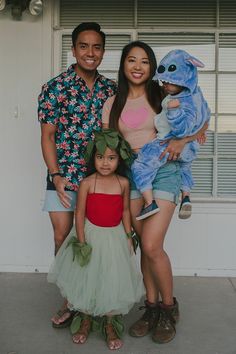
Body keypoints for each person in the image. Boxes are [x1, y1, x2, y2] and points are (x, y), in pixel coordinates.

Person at [102, 41, 207, 344]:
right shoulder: (113, 103)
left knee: (151, 244)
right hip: (133, 175)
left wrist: (182, 142)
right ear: (123, 65)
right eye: (131, 60)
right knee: (143, 247)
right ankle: (150, 307)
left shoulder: (163, 93)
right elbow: (108, 143)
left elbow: (202, 123)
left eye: (145, 61)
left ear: (153, 68)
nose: (137, 66)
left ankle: (168, 308)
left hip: (164, 169)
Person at [38, 22, 116, 327]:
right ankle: (70, 297)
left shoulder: (111, 89)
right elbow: (47, 136)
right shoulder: (54, 87)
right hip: (62, 176)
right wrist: (55, 175)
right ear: (73, 50)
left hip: (100, 178)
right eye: (84, 46)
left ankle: (94, 295)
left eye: (96, 47)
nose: (90, 52)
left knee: (96, 239)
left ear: (103, 52)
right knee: (62, 236)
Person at [47, 129, 144, 350]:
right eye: (100, 157)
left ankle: (110, 324)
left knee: (111, 278)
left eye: (111, 158)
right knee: (87, 278)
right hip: (91, 235)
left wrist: (129, 236)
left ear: (119, 159)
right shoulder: (88, 183)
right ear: (93, 158)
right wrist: (81, 240)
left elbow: (126, 211)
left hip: (114, 237)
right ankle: (86, 320)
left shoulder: (123, 183)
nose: (105, 163)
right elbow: (79, 213)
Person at [131, 49, 211, 221]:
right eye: (163, 82)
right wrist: (198, 133)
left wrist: (174, 113)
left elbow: (181, 129)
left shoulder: (178, 100)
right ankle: (186, 196)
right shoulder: (195, 94)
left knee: (140, 166)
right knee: (185, 169)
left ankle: (149, 202)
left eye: (169, 82)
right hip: (189, 149)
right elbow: (206, 114)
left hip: (166, 145)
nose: (165, 86)